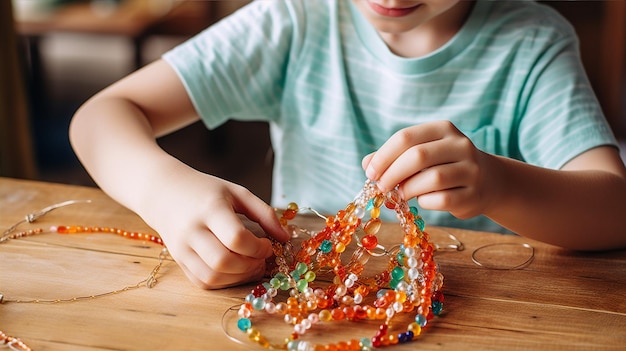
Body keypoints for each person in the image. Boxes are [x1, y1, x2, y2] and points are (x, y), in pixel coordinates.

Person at [69, 0, 626, 289]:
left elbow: (614, 209)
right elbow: (101, 117)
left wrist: (501, 184)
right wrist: (166, 195)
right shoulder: (294, 19)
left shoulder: (533, 44)